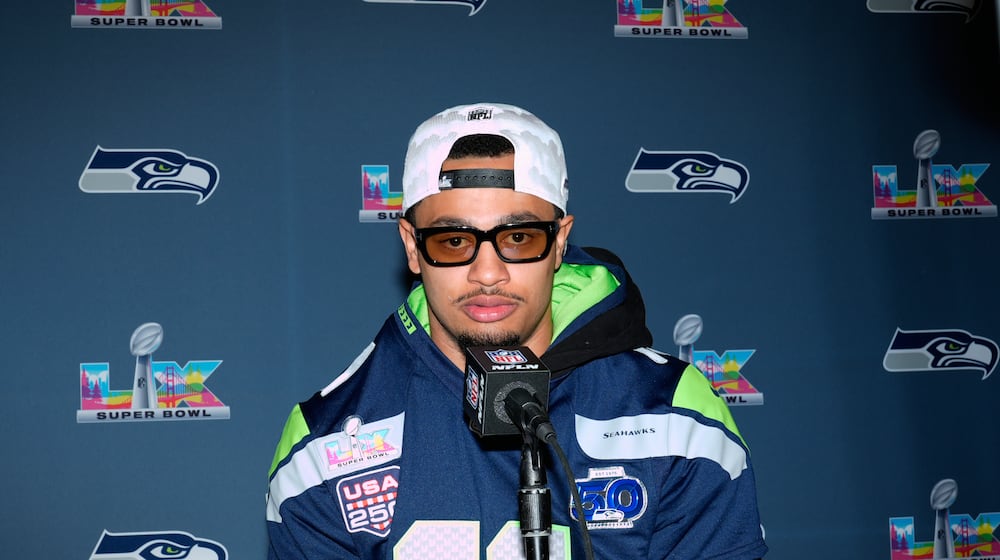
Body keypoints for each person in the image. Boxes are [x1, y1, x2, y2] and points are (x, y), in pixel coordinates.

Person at [266, 102, 768, 559]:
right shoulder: (325, 445)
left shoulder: (676, 416)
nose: (488, 274)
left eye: (519, 237)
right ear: (413, 247)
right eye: (454, 240)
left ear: (560, 242)